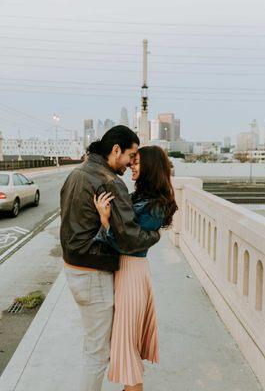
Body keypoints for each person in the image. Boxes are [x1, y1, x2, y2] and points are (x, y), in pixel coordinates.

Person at [60, 125, 160, 391]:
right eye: (131, 155)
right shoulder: (109, 181)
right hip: (93, 272)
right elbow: (129, 238)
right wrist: (155, 236)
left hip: (73, 268)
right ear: (116, 150)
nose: (130, 163)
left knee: (93, 345)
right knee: (97, 355)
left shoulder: (77, 172)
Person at [94, 146, 178, 391]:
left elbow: (128, 244)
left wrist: (105, 222)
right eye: (132, 161)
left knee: (126, 345)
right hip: (128, 272)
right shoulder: (142, 198)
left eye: (137, 162)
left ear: (151, 167)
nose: (132, 165)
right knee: (125, 342)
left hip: (132, 273)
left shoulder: (155, 204)